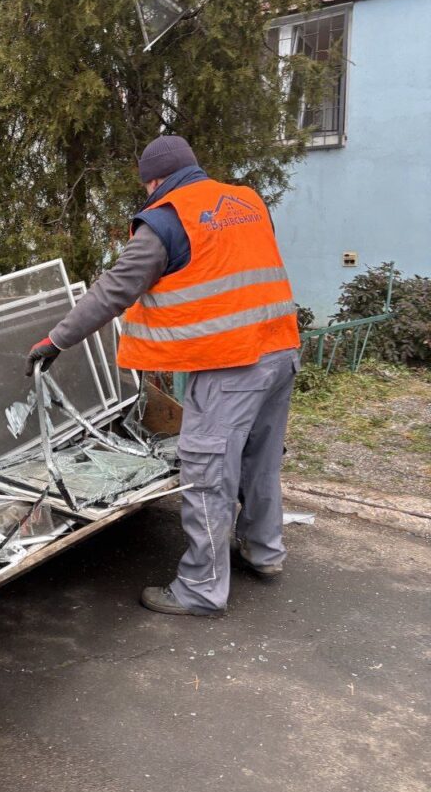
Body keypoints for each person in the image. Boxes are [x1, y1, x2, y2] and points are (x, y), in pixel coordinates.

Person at [26, 135, 300, 618]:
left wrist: (56, 341)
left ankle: (200, 589)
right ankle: (264, 552)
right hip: (280, 351)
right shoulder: (247, 201)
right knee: (259, 460)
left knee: (207, 473)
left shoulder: (167, 219)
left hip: (230, 364)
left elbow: (114, 290)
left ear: (154, 180)